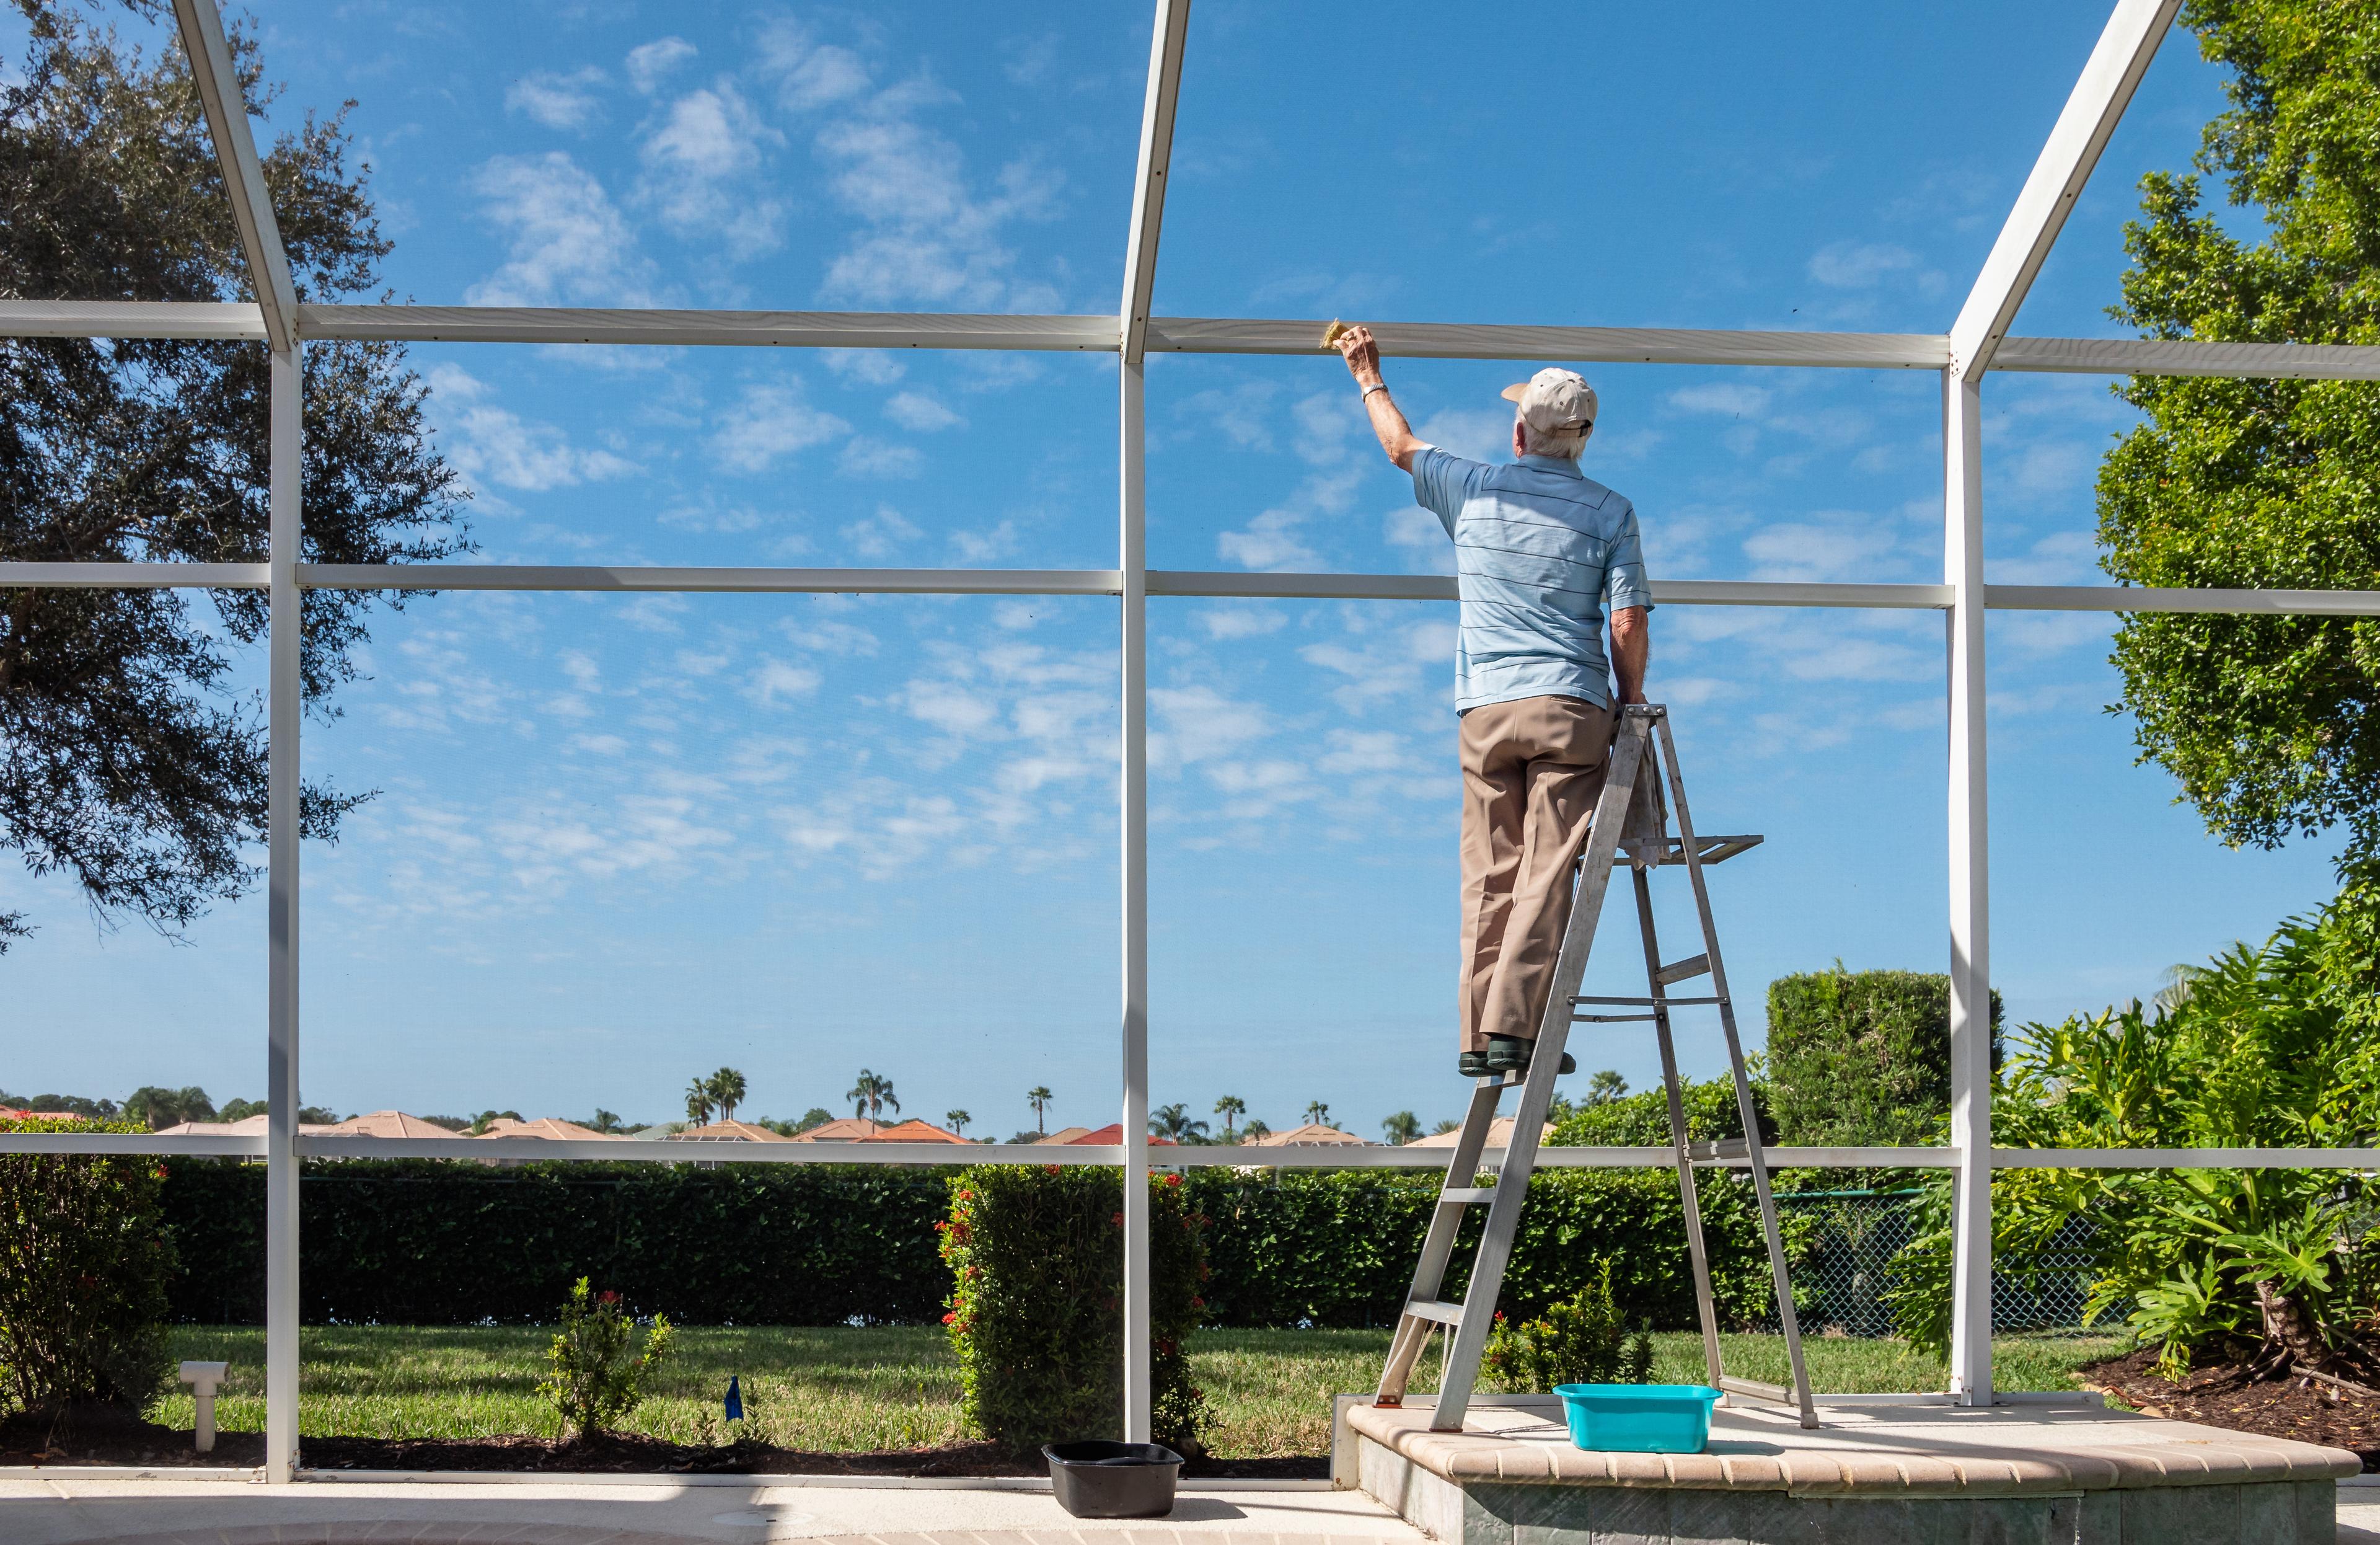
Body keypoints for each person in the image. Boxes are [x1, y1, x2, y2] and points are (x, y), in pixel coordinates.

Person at [1334, 325, 1652, 1081]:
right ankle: (1517, 1028)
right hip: (1570, 706)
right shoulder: (1612, 511)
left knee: (1491, 873)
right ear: (1582, 440)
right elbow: (1628, 619)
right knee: (1548, 872)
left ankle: (1479, 1036)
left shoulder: (1473, 486)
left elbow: (1399, 445)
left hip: (1484, 712)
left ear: (1520, 431)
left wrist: (1366, 375)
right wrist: (1629, 700)